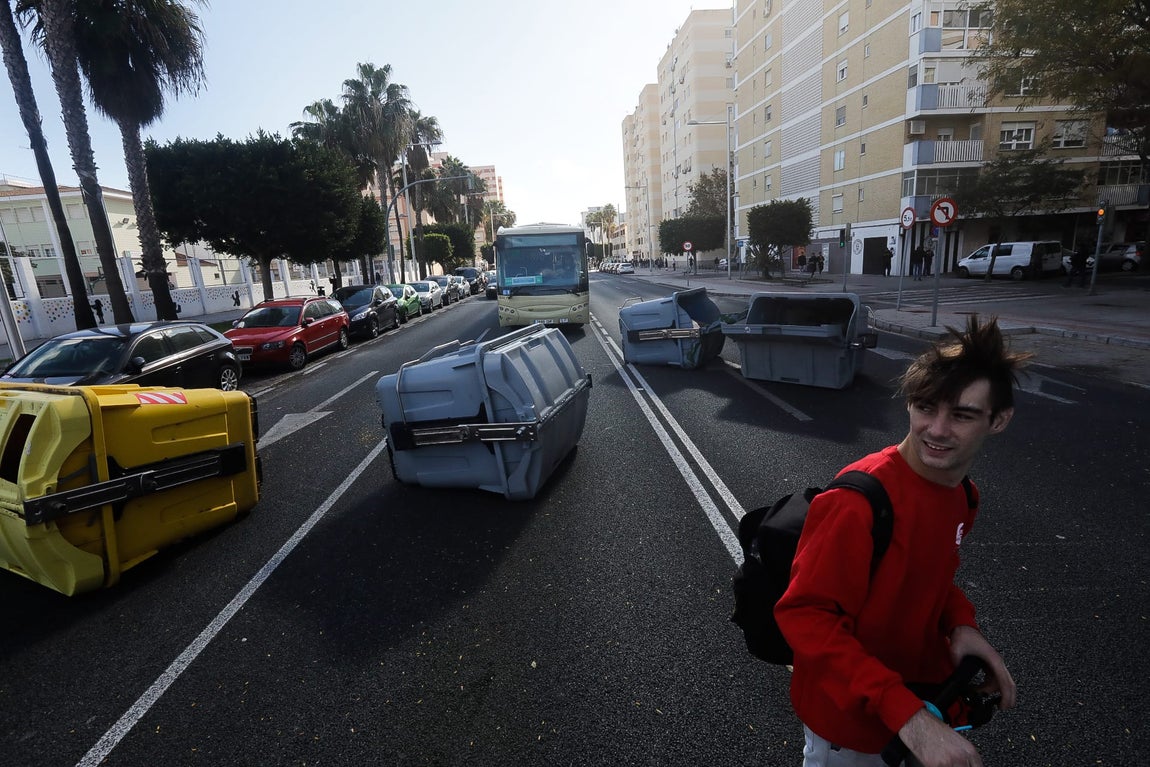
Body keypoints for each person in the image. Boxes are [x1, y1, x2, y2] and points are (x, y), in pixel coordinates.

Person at [776, 316, 1024, 767]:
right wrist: (907, 716)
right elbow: (805, 616)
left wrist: (962, 626)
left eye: (962, 415)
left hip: (919, 704)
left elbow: (931, 575)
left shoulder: (962, 495)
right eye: (925, 407)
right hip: (852, 728)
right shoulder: (858, 502)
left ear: (999, 420)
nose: (937, 429)